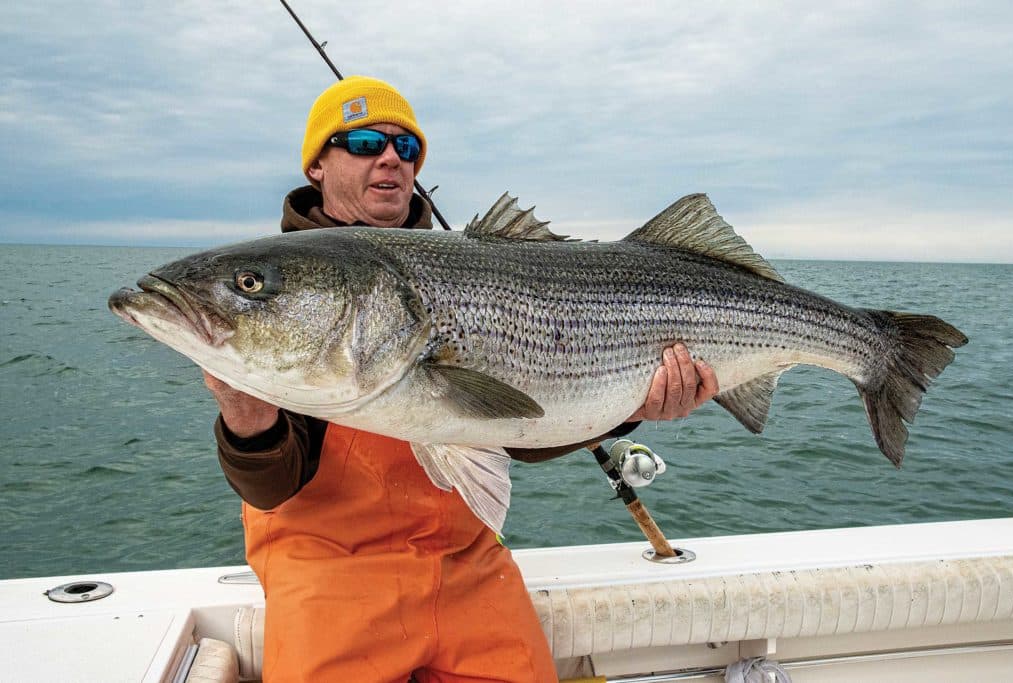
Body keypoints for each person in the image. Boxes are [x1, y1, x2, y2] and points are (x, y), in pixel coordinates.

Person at [204, 76, 719, 682]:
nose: (390, 157)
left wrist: (631, 405)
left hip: (467, 565)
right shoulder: (286, 285)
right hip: (329, 577)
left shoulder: (471, 260)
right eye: (365, 141)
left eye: (407, 147)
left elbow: (522, 429)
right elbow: (270, 491)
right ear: (318, 164)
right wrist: (245, 418)